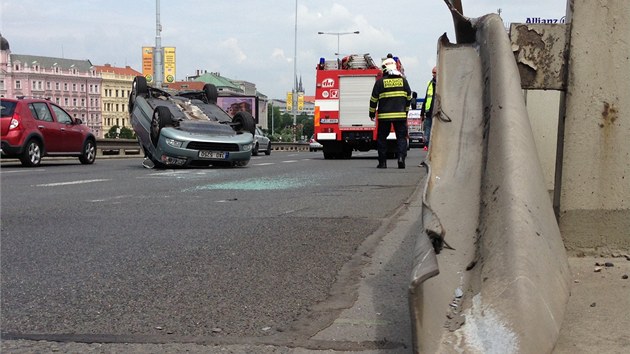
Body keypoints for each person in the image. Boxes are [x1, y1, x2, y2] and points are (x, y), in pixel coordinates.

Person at [369, 54, 412, 169]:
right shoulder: (403, 81)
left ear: (384, 69)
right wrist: (405, 111)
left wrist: (372, 113)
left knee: (382, 138)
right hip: (400, 115)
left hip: (384, 117)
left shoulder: (380, 82)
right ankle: (401, 159)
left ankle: (382, 163)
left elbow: (373, 99)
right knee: (401, 138)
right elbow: (409, 97)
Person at [421, 66, 437, 151]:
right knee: (427, 129)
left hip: (437, 111)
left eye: (434, 73)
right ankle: (426, 145)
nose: (433, 75)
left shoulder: (441, 83)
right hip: (429, 112)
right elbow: (426, 98)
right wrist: (422, 113)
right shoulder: (431, 83)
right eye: (433, 73)